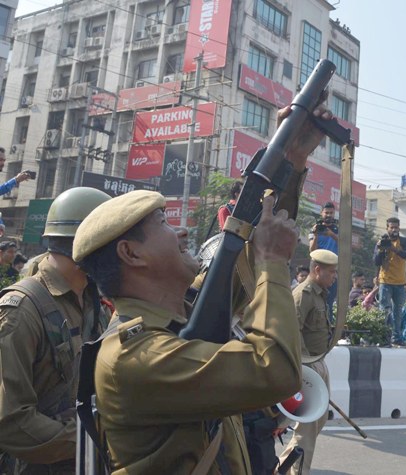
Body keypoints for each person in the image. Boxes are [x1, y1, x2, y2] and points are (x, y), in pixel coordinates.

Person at [73, 102, 330, 472]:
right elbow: (276, 371)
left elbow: (249, 255)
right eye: (163, 222)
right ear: (131, 254)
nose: (180, 230)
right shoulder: (136, 358)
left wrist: (292, 157)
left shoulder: (186, 311)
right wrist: (275, 263)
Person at [0, 187, 112, 473]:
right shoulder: (22, 309)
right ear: (87, 246)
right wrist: (92, 439)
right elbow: (10, 421)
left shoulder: (93, 303)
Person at [279, 249, 338, 475]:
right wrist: (306, 366)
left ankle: (283, 467)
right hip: (308, 366)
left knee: (317, 422)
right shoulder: (303, 294)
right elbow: (292, 330)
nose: (334, 277)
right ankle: (297, 471)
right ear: (317, 270)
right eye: (331, 272)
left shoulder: (319, 294)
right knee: (308, 428)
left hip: (318, 362)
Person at [374, 217, 406, 345]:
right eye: (391, 227)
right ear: (387, 228)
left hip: (400, 282)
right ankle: (384, 336)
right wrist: (381, 249)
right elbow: (376, 262)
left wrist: (393, 248)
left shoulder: (405, 241)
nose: (394, 230)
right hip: (385, 281)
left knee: (398, 312)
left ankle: (396, 338)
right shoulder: (381, 241)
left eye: (396, 227)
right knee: (384, 310)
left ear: (399, 228)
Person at [310, 202, 339, 317]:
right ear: (322, 213)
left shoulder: (338, 230)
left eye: (331, 213)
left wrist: (332, 234)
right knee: (314, 300)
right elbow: (311, 251)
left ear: (334, 214)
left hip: (332, 271)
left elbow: (346, 247)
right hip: (317, 270)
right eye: (326, 212)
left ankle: (328, 330)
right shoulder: (315, 228)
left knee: (329, 303)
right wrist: (316, 235)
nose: (328, 215)